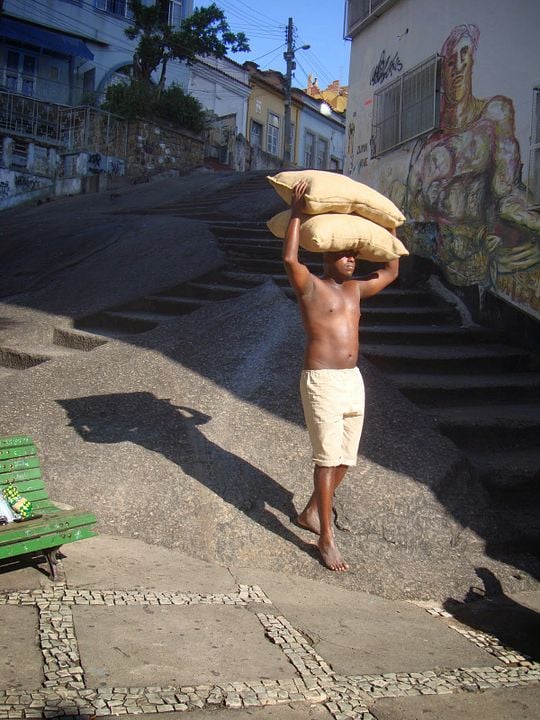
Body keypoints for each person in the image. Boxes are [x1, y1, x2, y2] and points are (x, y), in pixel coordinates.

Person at [283, 180, 399, 572]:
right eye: (344, 253)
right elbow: (289, 261)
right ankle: (325, 536)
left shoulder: (354, 291)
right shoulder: (311, 287)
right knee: (327, 458)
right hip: (322, 381)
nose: (351, 259)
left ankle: (310, 512)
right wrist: (298, 214)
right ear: (327, 255)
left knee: (347, 458)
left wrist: (390, 232)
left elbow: (390, 271)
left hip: (353, 381)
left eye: (354, 254)